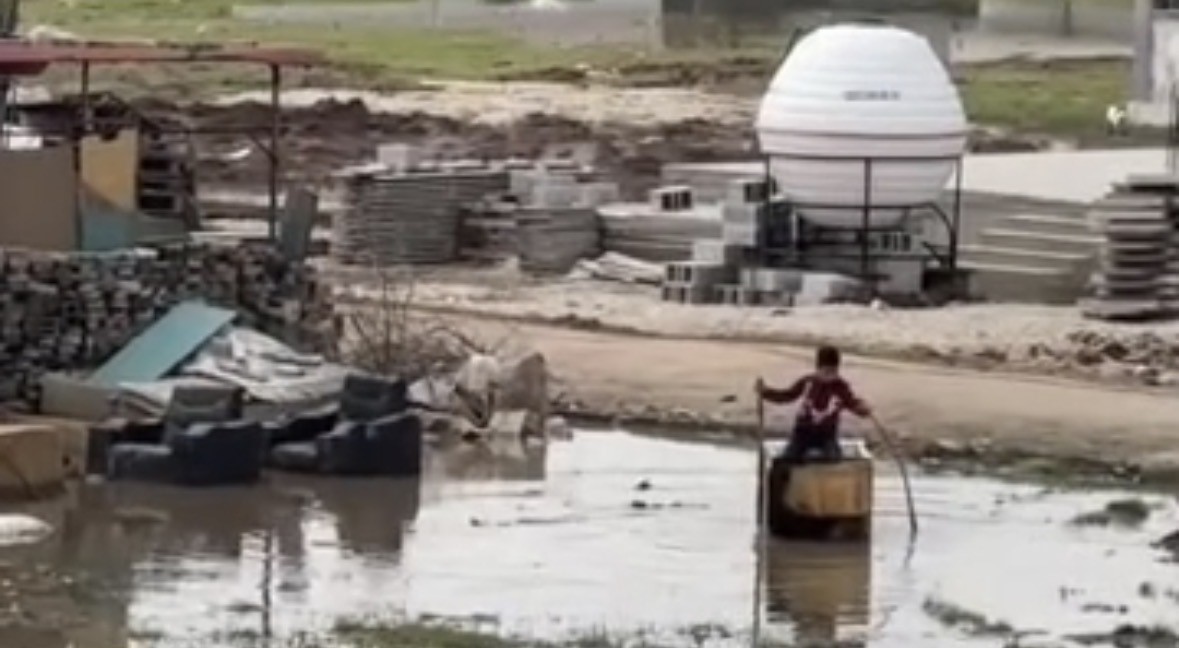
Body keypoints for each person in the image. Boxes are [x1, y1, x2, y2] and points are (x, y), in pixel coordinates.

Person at [756, 345, 870, 463]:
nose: (830, 376)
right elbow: (787, 396)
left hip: (827, 435)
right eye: (826, 371)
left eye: (833, 371)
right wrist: (766, 392)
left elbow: (852, 403)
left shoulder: (841, 387)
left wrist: (863, 409)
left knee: (834, 459)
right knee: (788, 459)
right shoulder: (807, 383)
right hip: (803, 432)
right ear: (818, 369)